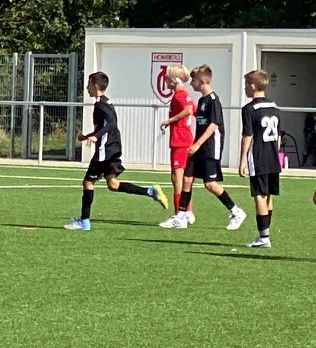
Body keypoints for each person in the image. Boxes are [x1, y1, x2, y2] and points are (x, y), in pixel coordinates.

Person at [64, 71, 173, 230]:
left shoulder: (100, 104)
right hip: (112, 147)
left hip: (105, 150)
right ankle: (150, 191)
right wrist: (87, 136)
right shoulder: (106, 102)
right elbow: (105, 126)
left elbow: (111, 124)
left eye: (88, 84)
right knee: (113, 184)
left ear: (95, 85)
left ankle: (84, 221)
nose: (87, 88)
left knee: (88, 182)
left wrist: (96, 137)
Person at [177, 65, 246, 230]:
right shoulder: (202, 100)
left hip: (210, 147)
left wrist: (197, 144)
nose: (191, 84)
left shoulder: (213, 100)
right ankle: (181, 216)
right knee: (187, 178)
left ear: (202, 81)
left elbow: (214, 124)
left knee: (210, 184)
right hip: (198, 146)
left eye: (193, 80)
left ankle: (236, 211)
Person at [238, 69, 281, 249]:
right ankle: (265, 234)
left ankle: (264, 237)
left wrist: (242, 160)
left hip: (258, 157)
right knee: (268, 195)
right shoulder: (274, 106)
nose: (245, 88)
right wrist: (275, 153)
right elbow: (278, 135)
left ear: (253, 86)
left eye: (246, 84)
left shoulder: (249, 109)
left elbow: (247, 135)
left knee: (259, 196)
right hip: (272, 157)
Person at [158, 64, 196, 227]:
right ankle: (187, 212)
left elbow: (188, 110)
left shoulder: (180, 95)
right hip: (183, 139)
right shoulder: (184, 95)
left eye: (167, 78)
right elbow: (193, 109)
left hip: (180, 140)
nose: (165, 80)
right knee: (182, 177)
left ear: (174, 79)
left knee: (177, 177)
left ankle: (179, 215)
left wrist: (170, 120)